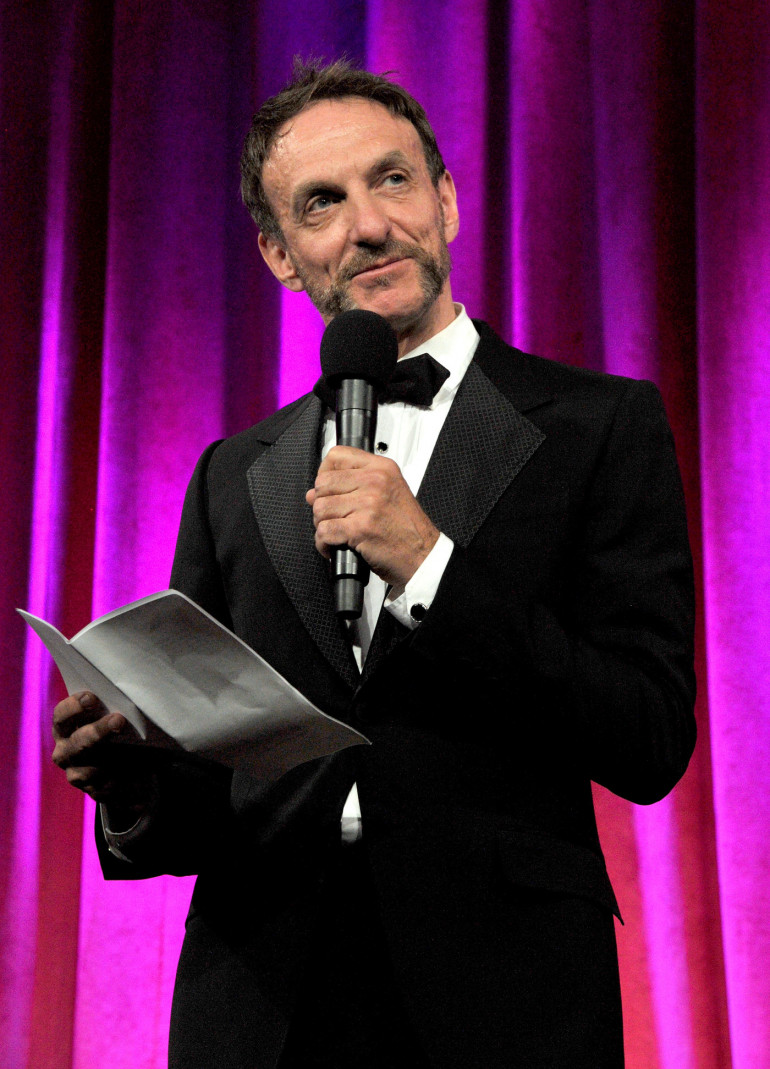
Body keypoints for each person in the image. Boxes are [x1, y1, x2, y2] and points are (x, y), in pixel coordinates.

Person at [52, 60, 696, 1069]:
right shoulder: (233, 474)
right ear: (279, 253)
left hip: (505, 995)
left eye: (391, 180)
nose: (367, 225)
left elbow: (646, 735)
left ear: (445, 199)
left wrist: (428, 564)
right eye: (321, 202)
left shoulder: (596, 426)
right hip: (264, 1003)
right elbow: (210, 795)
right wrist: (134, 789)